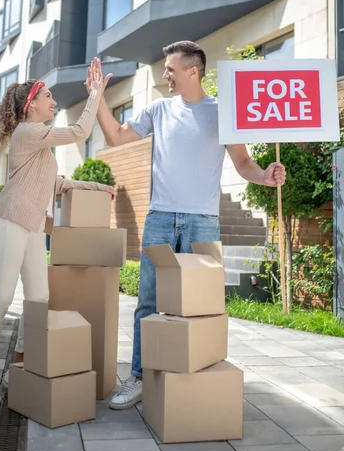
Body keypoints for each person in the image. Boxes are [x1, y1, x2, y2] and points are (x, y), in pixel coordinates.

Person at [88, 41, 286, 410]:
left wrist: (266, 175)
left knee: (202, 306)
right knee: (148, 302)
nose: (165, 75)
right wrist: (97, 96)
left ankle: (195, 381)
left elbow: (244, 165)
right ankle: (139, 376)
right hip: (161, 218)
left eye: (170, 69)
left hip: (203, 222)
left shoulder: (222, 113)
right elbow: (115, 137)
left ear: (193, 71)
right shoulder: (158, 110)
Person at [0, 64, 115, 405]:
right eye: (48, 96)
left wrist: (100, 187)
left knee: (38, 298)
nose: (53, 101)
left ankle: (20, 364)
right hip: (10, 220)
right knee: (4, 295)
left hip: (34, 226)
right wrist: (94, 93)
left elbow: (58, 184)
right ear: (31, 104)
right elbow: (82, 131)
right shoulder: (27, 132)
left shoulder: (42, 145)